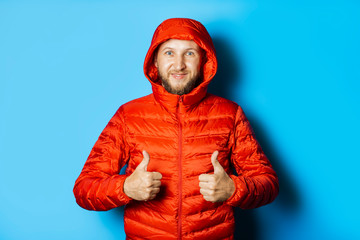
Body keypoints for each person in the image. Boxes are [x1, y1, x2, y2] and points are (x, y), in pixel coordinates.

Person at [73, 18, 279, 240]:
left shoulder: (230, 114)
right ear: (155, 61)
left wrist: (234, 189)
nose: (179, 64)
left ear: (204, 60)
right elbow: (84, 189)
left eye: (189, 53)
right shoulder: (128, 116)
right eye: (169, 52)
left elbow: (268, 183)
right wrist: (125, 188)